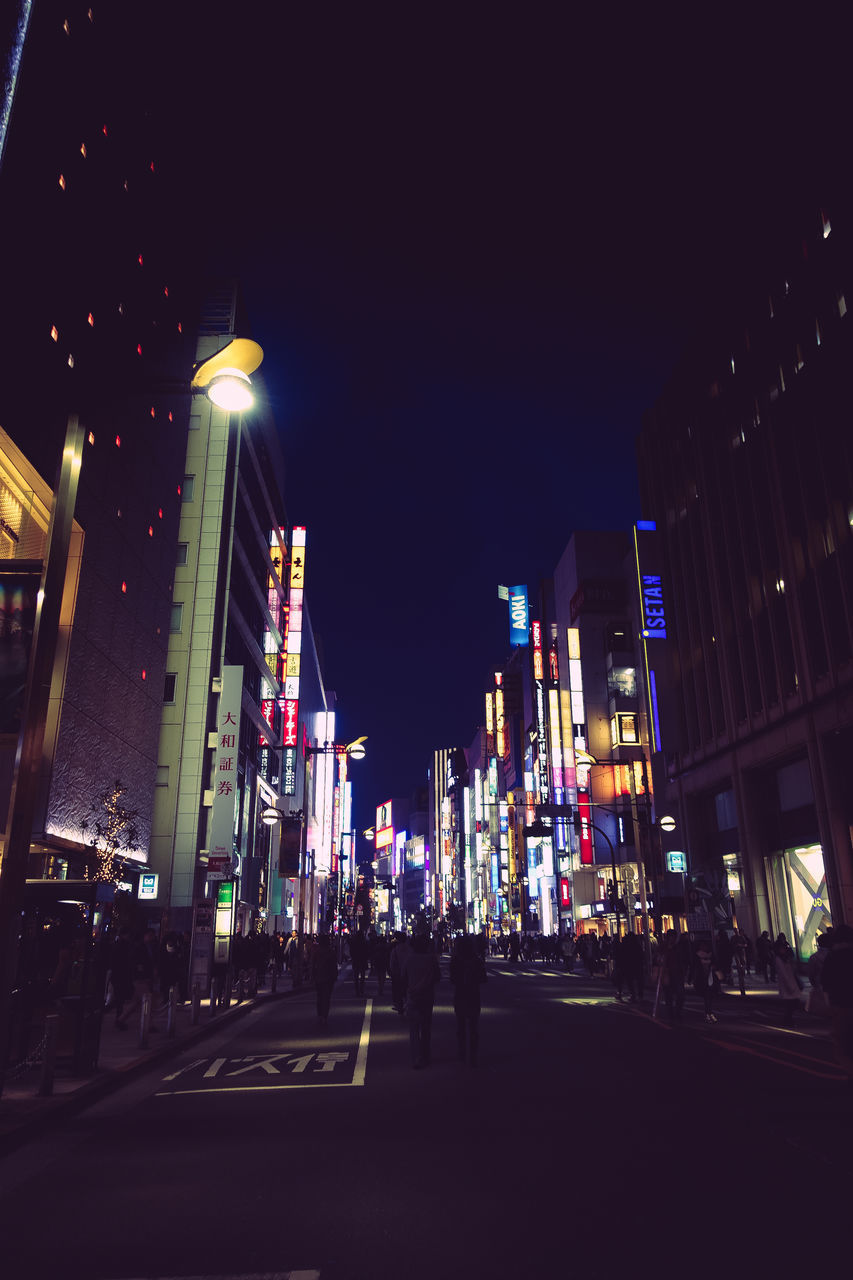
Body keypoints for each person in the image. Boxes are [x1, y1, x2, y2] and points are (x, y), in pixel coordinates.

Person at [819, 924, 853, 1082]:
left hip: (840, 1003)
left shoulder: (832, 957)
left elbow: (825, 982)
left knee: (842, 1042)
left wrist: (828, 1004)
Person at [402, 931, 441, 1068]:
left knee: (413, 1029)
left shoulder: (409, 959)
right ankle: (426, 1056)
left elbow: (404, 977)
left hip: (413, 996)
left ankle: (416, 1057)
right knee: (426, 1027)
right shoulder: (431, 959)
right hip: (427, 995)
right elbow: (438, 977)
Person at [450, 933, 487, 1067]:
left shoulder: (455, 960)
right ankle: (473, 1055)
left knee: (460, 1025)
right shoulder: (476, 960)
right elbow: (483, 978)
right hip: (473, 995)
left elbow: (452, 979)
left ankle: (462, 1053)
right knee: (473, 1026)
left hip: (460, 994)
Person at [773, 933, 802, 1026]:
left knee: (793, 1002)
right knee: (790, 1004)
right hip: (787, 984)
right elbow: (783, 973)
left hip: (791, 982)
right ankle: (788, 1020)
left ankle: (788, 1019)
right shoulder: (779, 959)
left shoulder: (786, 957)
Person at [310, 932, 338, 1024]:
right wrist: (335, 976)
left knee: (319, 996)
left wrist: (312, 976)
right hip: (329, 977)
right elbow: (334, 966)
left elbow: (313, 965)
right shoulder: (331, 952)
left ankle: (320, 1015)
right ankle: (324, 1015)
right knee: (327, 997)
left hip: (319, 976)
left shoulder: (317, 952)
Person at [692, 936, 716, 1023]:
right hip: (702, 978)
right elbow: (694, 967)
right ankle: (708, 1013)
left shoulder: (710, 955)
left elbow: (715, 964)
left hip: (710, 977)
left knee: (709, 996)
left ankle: (709, 1013)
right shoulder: (698, 955)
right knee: (707, 996)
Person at [389, 931, 410, 1014]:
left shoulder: (395, 950)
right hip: (408, 973)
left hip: (397, 974)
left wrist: (391, 972)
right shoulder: (410, 949)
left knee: (398, 991)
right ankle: (407, 1005)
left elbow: (392, 963)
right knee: (406, 990)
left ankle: (400, 1006)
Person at [731, 928, 749, 996]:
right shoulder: (734, 938)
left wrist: (740, 945)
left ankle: (742, 972)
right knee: (740, 967)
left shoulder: (741, 937)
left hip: (741, 953)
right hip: (738, 953)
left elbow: (746, 944)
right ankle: (741, 973)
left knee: (742, 965)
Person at [349, 929, 368, 995]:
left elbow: (351, 951)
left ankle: (357, 990)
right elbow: (367, 952)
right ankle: (361, 989)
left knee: (356, 976)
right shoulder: (364, 942)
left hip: (356, 960)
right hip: (362, 960)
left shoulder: (353, 942)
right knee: (362, 976)